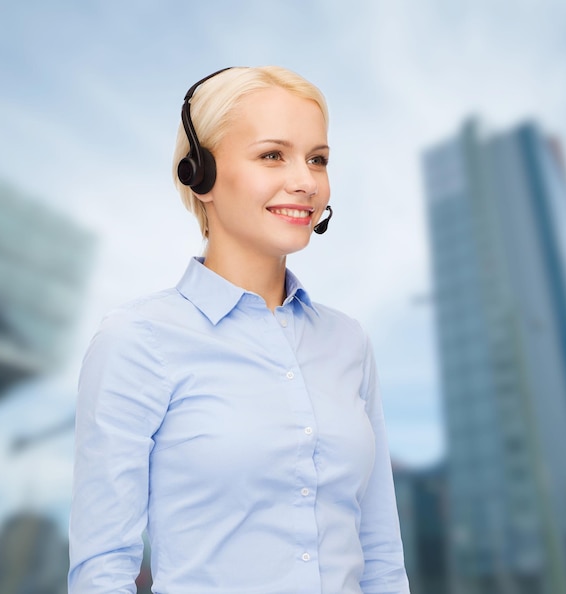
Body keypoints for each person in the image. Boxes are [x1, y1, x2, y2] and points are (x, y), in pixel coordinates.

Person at [68, 66, 410, 594]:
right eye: (272, 155)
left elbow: (381, 551)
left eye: (317, 159)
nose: (305, 180)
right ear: (198, 174)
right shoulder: (137, 341)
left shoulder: (348, 342)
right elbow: (102, 568)